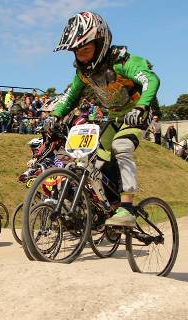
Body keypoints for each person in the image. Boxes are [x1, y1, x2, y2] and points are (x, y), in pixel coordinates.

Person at [52, 11, 160, 228]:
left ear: (101, 43)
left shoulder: (122, 62)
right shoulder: (84, 73)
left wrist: (141, 106)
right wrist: (55, 115)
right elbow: (72, 95)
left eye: (85, 49)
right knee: (97, 163)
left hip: (138, 113)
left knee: (122, 146)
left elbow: (151, 79)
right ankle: (111, 207)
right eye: (76, 52)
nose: (81, 56)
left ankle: (128, 208)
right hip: (114, 117)